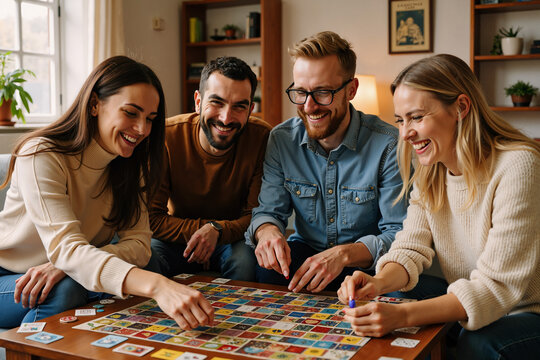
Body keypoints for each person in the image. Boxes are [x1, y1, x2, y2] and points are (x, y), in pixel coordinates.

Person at [338, 54, 540, 359]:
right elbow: (409, 248)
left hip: (525, 310)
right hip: (477, 300)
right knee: (394, 295)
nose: (405, 134)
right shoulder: (432, 172)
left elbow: (496, 288)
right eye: (401, 120)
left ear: (460, 107)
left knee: (478, 344)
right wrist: (377, 283)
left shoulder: (519, 165)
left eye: (417, 117)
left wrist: (403, 317)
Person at [0, 56, 214, 329]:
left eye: (150, 119)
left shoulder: (128, 163)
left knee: (128, 272)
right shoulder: (41, 154)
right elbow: (68, 249)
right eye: (131, 112)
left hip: (64, 271)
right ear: (94, 105)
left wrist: (67, 265)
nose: (142, 130)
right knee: (68, 290)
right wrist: (159, 287)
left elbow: (139, 246)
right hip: (10, 273)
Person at [245, 31, 408, 293]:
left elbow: (399, 235)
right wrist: (267, 233)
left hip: (367, 265)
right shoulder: (281, 139)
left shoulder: (389, 145)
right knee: (265, 270)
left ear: (351, 90)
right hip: (306, 256)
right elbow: (268, 212)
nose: (309, 107)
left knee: (399, 289)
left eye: (322, 93)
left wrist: (342, 255)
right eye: (300, 92)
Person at [149, 56, 271, 281]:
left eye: (239, 107)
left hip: (233, 239)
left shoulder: (262, 138)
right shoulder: (167, 137)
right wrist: (204, 231)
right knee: (147, 259)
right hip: (176, 239)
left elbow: (256, 215)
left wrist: (217, 231)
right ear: (198, 101)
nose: (226, 118)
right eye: (217, 102)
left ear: (250, 109)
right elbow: (152, 218)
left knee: (244, 263)